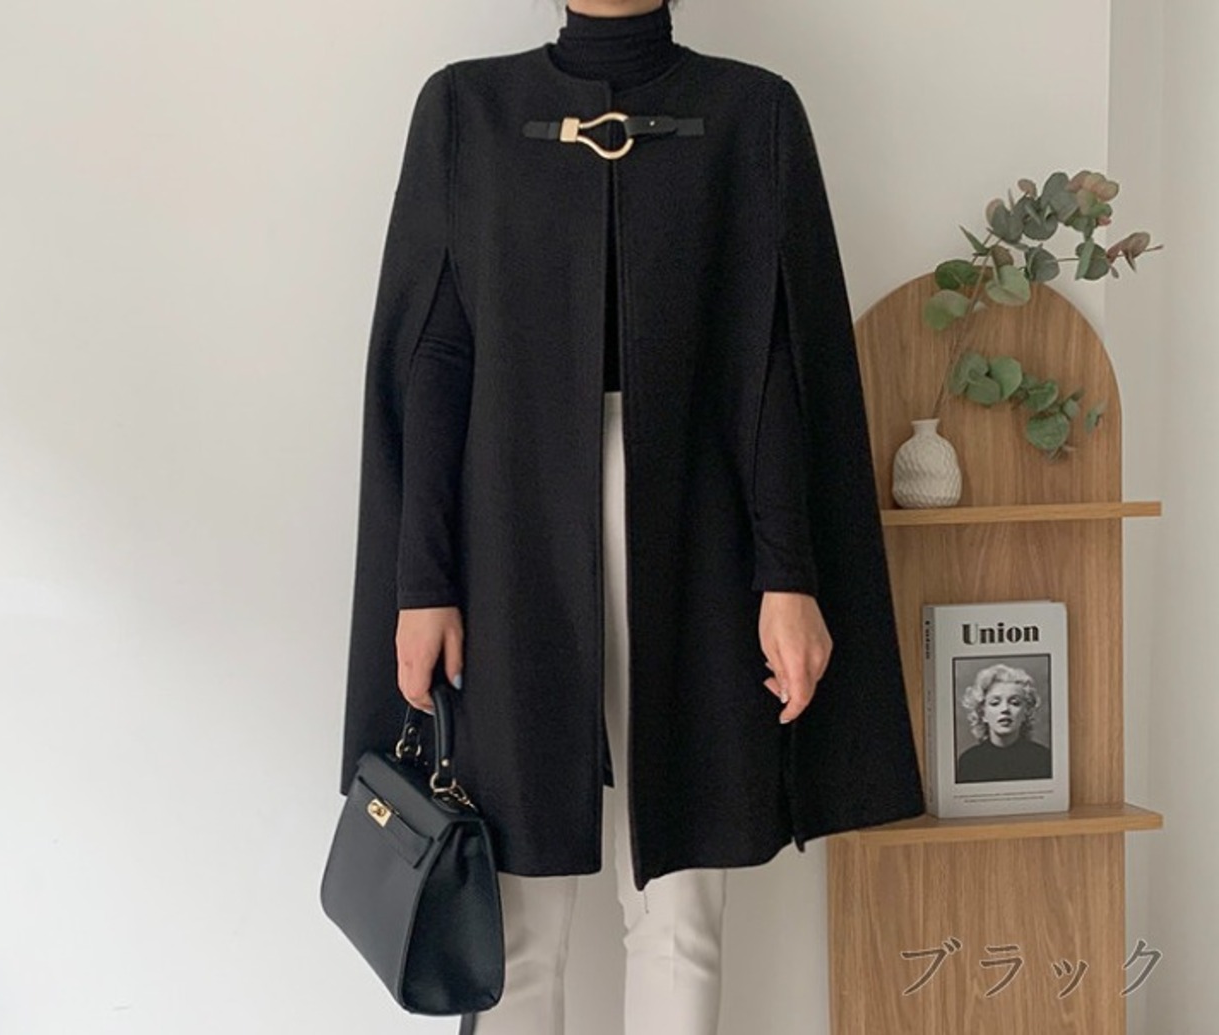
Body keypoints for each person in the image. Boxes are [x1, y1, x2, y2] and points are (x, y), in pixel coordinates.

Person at [340, 0, 928, 1032]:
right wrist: (422, 580)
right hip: (505, 532)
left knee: (682, 910)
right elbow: (433, 356)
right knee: (511, 910)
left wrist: (787, 573)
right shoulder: (467, 111)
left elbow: (778, 367)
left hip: (701, 530)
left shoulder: (751, 113)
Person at [955, 663, 1053, 783]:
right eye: (995, 703)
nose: (1005, 709)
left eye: (1015, 703)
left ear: (1026, 712)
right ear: (982, 713)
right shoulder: (969, 761)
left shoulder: (1043, 759)